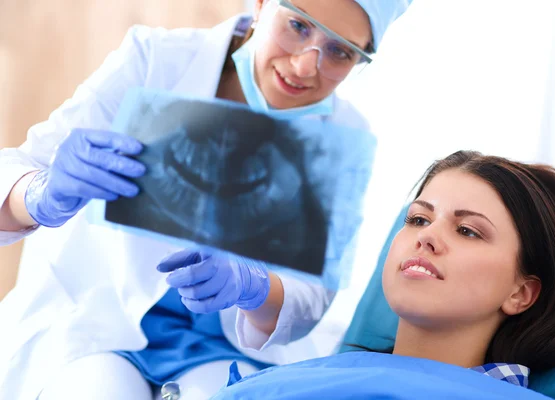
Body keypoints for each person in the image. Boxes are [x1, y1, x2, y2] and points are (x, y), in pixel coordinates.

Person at [0, 1, 413, 399]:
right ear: (262, 4)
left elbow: (312, 296)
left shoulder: (344, 134)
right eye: (298, 26)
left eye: (339, 51)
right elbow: (22, 165)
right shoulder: (155, 59)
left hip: (231, 348)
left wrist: (252, 288)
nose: (306, 65)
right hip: (92, 321)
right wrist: (42, 194)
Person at [210, 150, 555, 399]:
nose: (427, 236)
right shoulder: (306, 377)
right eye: (419, 219)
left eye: (468, 230)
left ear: (521, 293)